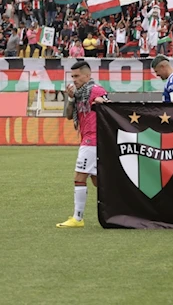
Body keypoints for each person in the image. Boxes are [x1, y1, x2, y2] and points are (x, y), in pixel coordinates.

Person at [56, 61, 108, 228]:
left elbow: (111, 109)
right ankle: (125, 206)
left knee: (79, 177)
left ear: (87, 75)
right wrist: (71, 98)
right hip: (88, 139)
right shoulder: (79, 94)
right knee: (97, 180)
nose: (74, 80)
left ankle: (77, 218)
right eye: (72, 76)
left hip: (92, 140)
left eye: (77, 76)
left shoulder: (96, 90)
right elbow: (69, 116)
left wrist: (103, 102)